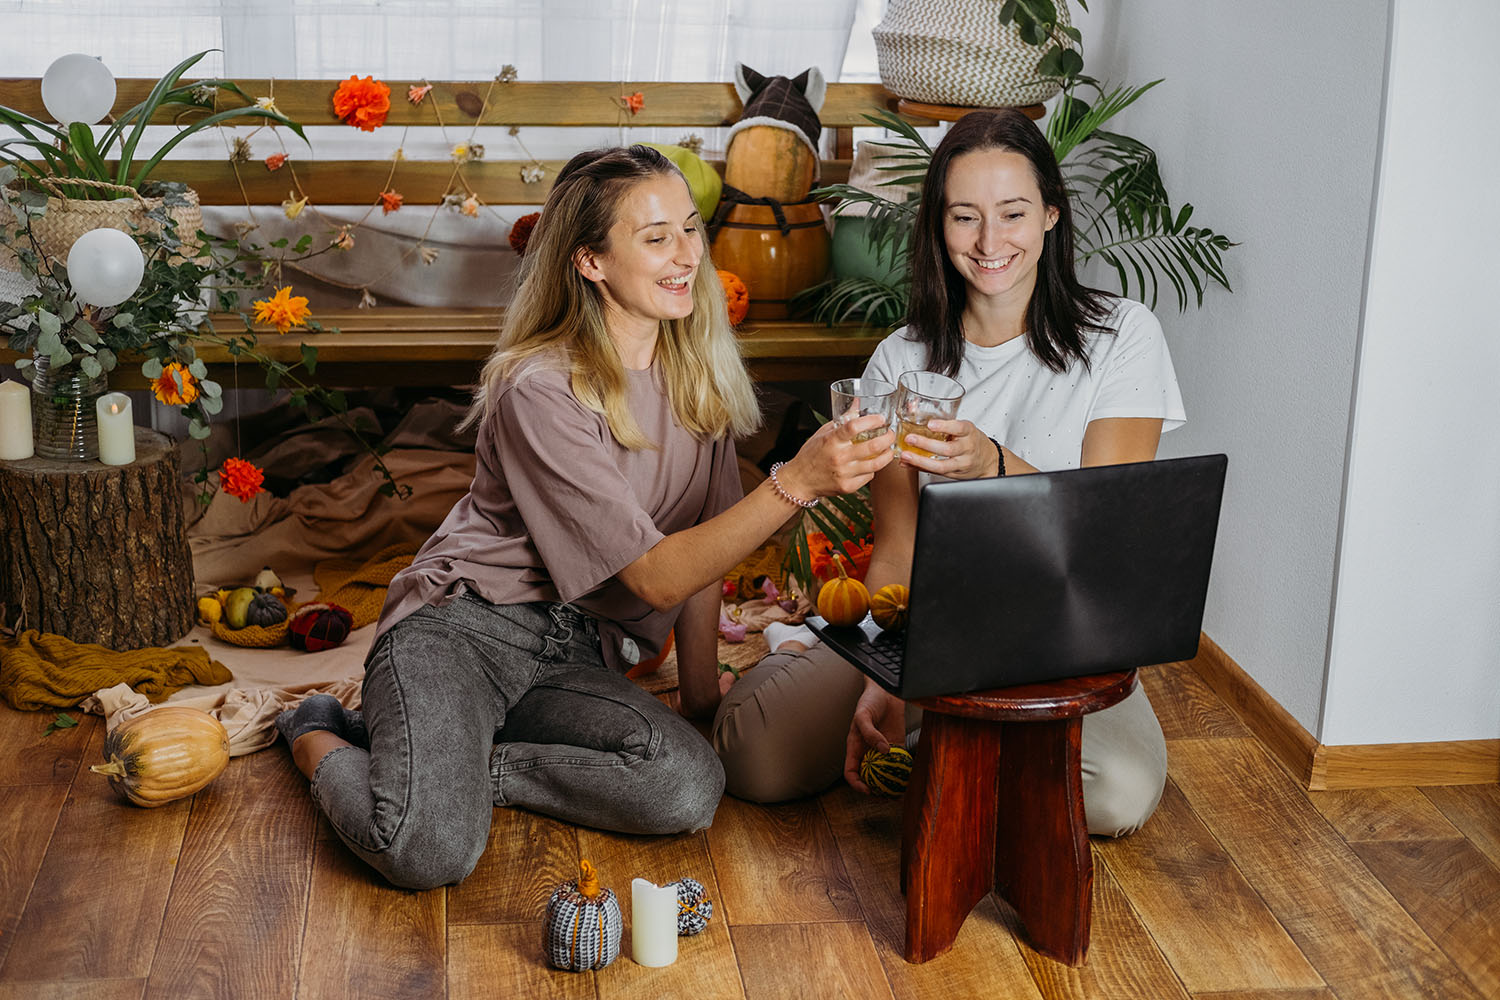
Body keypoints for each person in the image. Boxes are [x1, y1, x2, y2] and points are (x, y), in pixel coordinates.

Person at [275, 145, 894, 890]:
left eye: (691, 229)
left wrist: (700, 698)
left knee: (688, 787)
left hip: (577, 651)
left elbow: (704, 553)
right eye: (656, 237)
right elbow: (657, 576)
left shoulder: (699, 376)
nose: (686, 255)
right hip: (463, 629)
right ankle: (316, 730)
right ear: (591, 262)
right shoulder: (539, 387)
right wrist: (796, 482)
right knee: (426, 852)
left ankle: (462, 770)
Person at [712, 109, 1186, 838]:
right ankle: (818, 656)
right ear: (938, 224)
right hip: (930, 632)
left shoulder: (1122, 336)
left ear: (1052, 213)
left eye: (1014, 213)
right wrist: (881, 674)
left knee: (1114, 799)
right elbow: (896, 551)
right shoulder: (903, 362)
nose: (990, 243)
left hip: (1062, 638)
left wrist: (992, 465)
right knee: (757, 761)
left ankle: (943, 744)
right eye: (965, 217)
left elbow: (1106, 540)